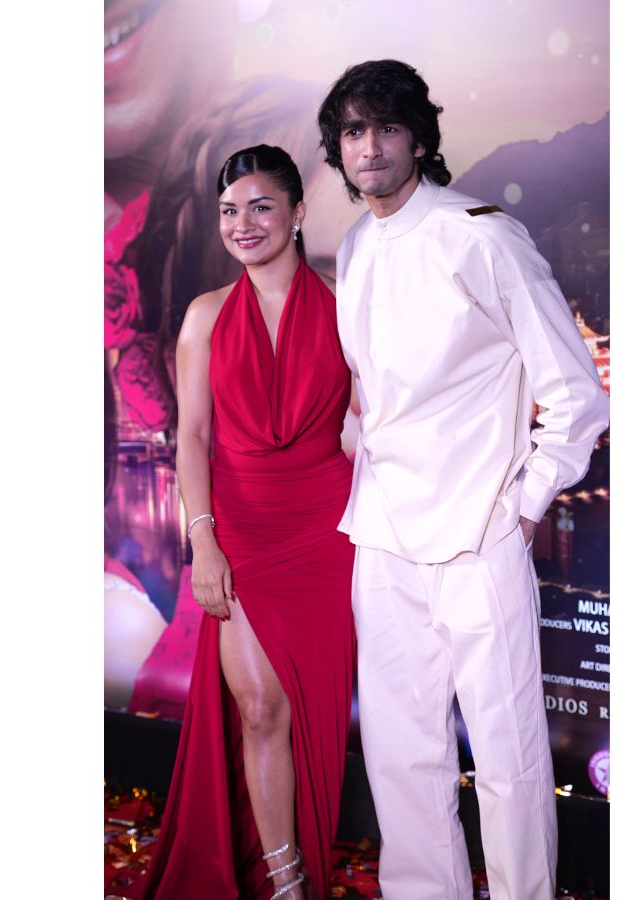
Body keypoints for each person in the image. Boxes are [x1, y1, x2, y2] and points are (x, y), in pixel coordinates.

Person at [317, 60, 610, 900]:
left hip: (480, 531)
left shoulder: (482, 235)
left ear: (418, 139)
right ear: (339, 150)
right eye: (352, 131)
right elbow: (376, 394)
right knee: (400, 753)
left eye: (385, 127)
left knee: (509, 756)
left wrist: (523, 505)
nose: (369, 147)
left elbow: (576, 393)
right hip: (383, 533)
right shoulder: (359, 245)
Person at [145, 145, 356, 900]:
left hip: (326, 532)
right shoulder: (205, 316)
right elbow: (192, 437)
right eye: (229, 210)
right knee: (260, 708)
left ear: (297, 212)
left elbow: (381, 421)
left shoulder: (347, 306)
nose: (243, 224)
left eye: (261, 206)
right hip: (238, 530)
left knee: (312, 712)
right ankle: (287, 884)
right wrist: (202, 540)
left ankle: (299, 868)